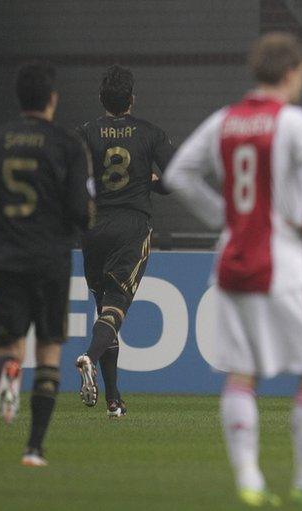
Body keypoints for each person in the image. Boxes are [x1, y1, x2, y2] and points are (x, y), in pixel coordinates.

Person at [163, 32, 302, 509]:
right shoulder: (293, 123)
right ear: (294, 72)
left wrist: (221, 216)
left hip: (232, 258)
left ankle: (250, 478)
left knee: (242, 373)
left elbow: (178, 176)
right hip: (282, 261)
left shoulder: (224, 121)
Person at [0, 61, 94, 465]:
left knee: (10, 346)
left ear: (19, 98)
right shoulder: (67, 145)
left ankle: (8, 371)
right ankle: (34, 448)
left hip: (2, 256)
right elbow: (79, 211)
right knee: (47, 351)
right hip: (49, 259)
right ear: (52, 99)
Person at [75, 65, 174, 417]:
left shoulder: (86, 132)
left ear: (102, 99)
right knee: (115, 310)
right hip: (131, 226)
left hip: (94, 227)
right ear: (132, 99)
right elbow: (173, 178)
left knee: (104, 309)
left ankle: (114, 400)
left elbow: (72, 180)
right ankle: (89, 355)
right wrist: (149, 181)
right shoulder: (150, 133)